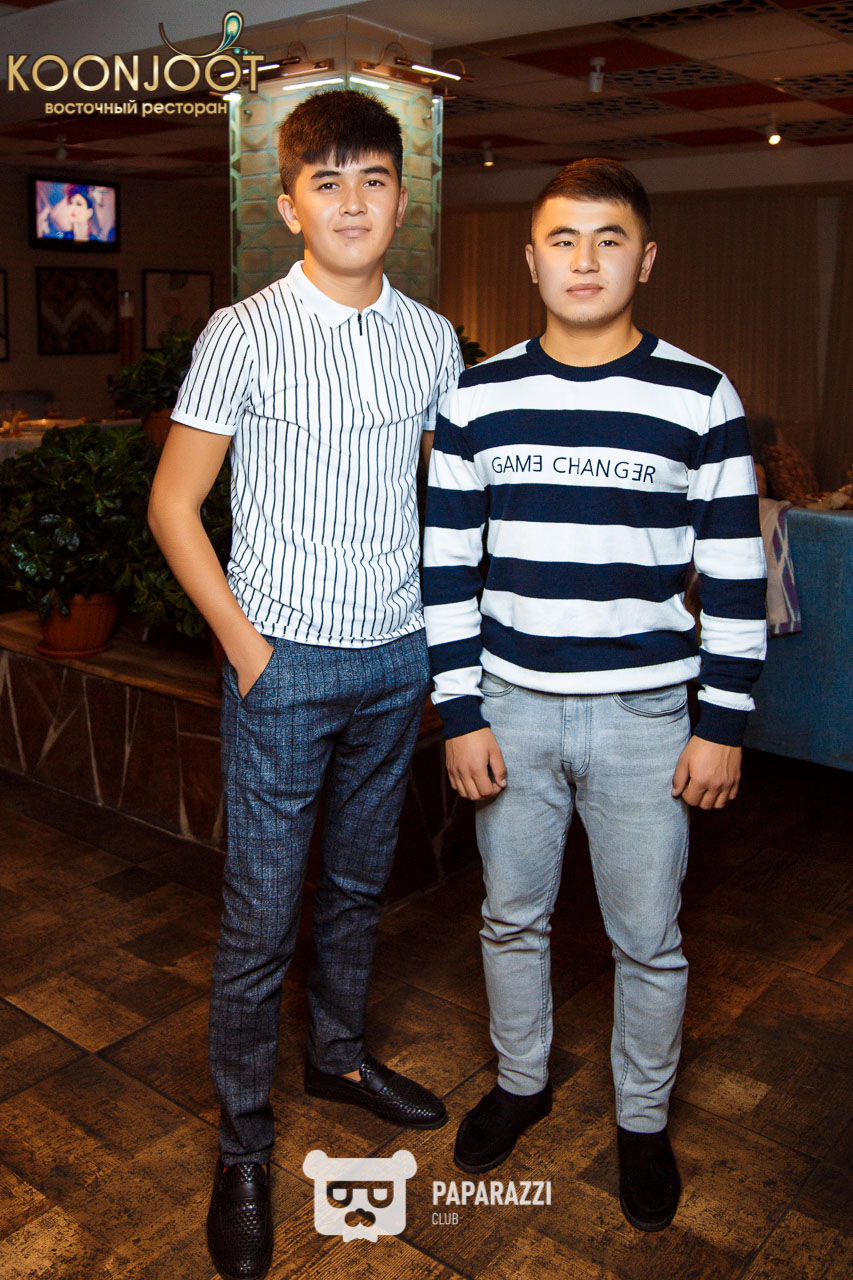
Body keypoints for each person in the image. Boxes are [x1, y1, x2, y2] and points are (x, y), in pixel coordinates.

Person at [148, 89, 462, 1280]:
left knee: (359, 884)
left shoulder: (431, 338)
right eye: (326, 182)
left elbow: (450, 501)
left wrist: (436, 642)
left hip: (394, 658)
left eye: (372, 179)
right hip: (280, 661)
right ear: (288, 205)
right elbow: (173, 505)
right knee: (260, 916)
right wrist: (245, 648)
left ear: (400, 199)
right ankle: (242, 1142)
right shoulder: (243, 331)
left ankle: (335, 1056)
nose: (351, 201)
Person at [423, 157, 766, 1233]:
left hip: (647, 718)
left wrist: (723, 724)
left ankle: (643, 1120)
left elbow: (736, 576)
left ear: (644, 260)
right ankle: (521, 1082)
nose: (584, 260)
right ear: (530, 261)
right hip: (510, 708)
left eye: (608, 239)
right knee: (509, 918)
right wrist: (460, 711)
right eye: (562, 240)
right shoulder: (475, 396)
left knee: (647, 938)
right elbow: (445, 566)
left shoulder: (701, 395)